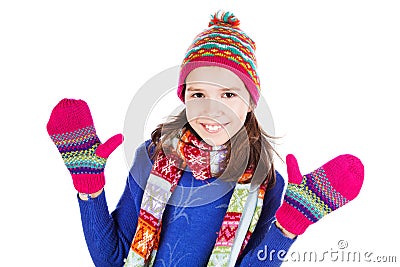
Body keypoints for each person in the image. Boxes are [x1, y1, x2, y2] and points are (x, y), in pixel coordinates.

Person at [46, 11, 364, 267]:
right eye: (199, 93)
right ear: (185, 97)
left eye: (228, 94)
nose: (212, 110)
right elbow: (112, 260)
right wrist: (89, 191)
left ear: (251, 103)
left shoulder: (266, 182)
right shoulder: (151, 157)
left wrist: (288, 227)